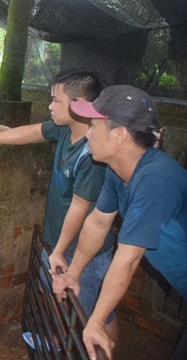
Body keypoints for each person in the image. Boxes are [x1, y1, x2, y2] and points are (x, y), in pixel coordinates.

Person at [0, 69, 118, 344]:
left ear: (79, 104)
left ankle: (74, 348)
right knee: (77, 303)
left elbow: (80, 209)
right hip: (60, 243)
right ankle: (65, 344)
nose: (50, 106)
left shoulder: (93, 153)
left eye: (56, 100)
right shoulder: (66, 130)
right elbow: (32, 132)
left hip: (84, 251)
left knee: (88, 312)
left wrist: (58, 252)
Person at [52, 85, 187, 360]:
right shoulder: (117, 169)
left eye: (93, 127)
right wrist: (74, 272)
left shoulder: (155, 180)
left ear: (120, 135)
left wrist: (98, 320)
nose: (87, 133)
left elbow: (128, 259)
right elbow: (98, 223)